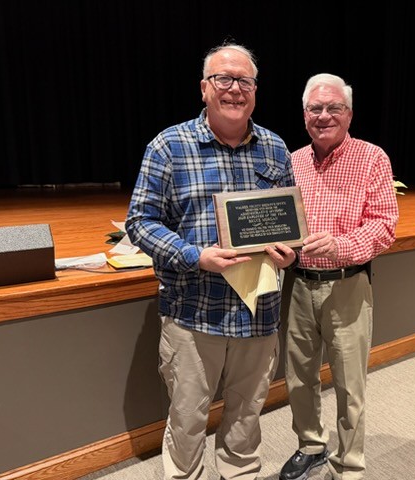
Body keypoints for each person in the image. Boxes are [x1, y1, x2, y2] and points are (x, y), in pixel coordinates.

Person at [125, 42, 298, 480]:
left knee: (246, 419)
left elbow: (288, 222)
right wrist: (194, 256)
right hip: (194, 312)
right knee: (187, 422)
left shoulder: (276, 148)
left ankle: (240, 473)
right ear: (204, 88)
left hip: (258, 313)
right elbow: (140, 222)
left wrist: (289, 252)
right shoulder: (169, 146)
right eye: (224, 79)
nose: (235, 89)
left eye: (245, 81)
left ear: (255, 91)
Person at [279, 73, 399, 480]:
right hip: (298, 284)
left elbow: (384, 226)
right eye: (315, 108)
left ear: (349, 114)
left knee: (350, 385)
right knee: (298, 377)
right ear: (304, 115)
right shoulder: (292, 161)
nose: (324, 115)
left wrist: (339, 245)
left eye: (334, 108)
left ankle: (348, 464)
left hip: (348, 285)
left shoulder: (372, 158)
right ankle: (311, 445)